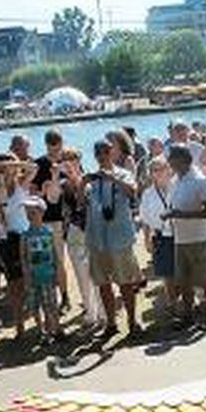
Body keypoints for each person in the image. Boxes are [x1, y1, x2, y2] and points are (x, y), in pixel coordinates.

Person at [84, 139, 143, 339]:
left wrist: (112, 179)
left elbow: (133, 193)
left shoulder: (124, 173)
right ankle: (111, 323)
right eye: (98, 154)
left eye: (105, 153)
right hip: (97, 238)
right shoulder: (92, 179)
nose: (102, 157)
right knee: (103, 284)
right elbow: (79, 203)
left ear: (112, 154)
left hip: (120, 238)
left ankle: (133, 321)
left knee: (125, 282)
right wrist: (81, 184)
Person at [164, 145, 206, 327]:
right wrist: (171, 214)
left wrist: (181, 215)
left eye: (173, 158)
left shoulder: (200, 180)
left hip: (199, 238)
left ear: (184, 160)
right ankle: (188, 316)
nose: (169, 161)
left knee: (203, 278)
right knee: (184, 280)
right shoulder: (175, 180)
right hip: (180, 238)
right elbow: (176, 206)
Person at [61, 147, 104, 328]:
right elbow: (55, 198)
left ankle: (102, 312)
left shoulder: (90, 178)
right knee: (81, 275)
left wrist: (79, 179)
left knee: (98, 274)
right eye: (65, 159)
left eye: (73, 158)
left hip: (92, 230)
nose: (69, 162)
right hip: (74, 231)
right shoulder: (61, 183)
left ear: (79, 160)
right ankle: (90, 311)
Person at [0, 154, 36, 336]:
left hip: (25, 237)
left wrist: (13, 163)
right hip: (8, 241)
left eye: (9, 168)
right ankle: (19, 325)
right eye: (3, 169)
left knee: (31, 282)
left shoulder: (22, 184)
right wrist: (1, 178)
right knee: (14, 285)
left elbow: (33, 168)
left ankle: (37, 321)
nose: (7, 172)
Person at [32, 129, 70, 312]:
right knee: (46, 262)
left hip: (62, 219)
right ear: (46, 145)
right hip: (44, 219)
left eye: (58, 146)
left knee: (60, 260)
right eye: (52, 147)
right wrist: (44, 190)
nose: (56, 151)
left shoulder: (68, 162)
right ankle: (52, 298)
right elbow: (32, 192)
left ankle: (64, 296)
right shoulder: (39, 164)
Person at [20, 196, 63, 343]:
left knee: (51, 303)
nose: (29, 215)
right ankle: (41, 331)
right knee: (35, 305)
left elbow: (56, 254)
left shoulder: (48, 232)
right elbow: (23, 257)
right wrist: (26, 276)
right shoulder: (25, 236)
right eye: (27, 212)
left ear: (41, 212)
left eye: (32, 212)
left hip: (48, 274)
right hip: (33, 276)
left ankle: (55, 329)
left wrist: (58, 273)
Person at [139, 157, 176, 310]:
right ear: (151, 174)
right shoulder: (148, 194)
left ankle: (189, 303)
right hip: (161, 236)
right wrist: (147, 239)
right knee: (167, 273)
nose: (159, 172)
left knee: (185, 270)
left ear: (169, 169)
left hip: (182, 234)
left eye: (162, 168)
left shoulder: (178, 186)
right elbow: (145, 219)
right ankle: (172, 302)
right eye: (155, 170)